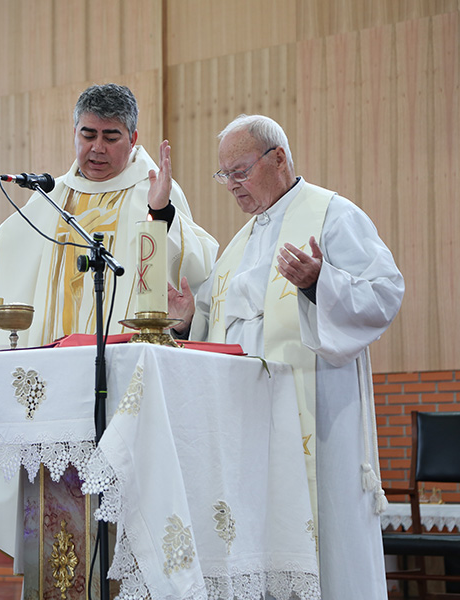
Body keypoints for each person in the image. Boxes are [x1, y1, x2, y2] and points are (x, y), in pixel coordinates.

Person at [170, 114, 404, 599]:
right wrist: (190, 316)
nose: (232, 186)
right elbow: (216, 332)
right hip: (250, 431)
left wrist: (321, 283)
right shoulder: (236, 246)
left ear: (278, 158)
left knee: (327, 544)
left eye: (239, 171)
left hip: (317, 421)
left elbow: (385, 292)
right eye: (224, 176)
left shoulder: (332, 214)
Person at [0, 83, 218, 348]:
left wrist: (161, 212)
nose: (97, 147)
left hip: (122, 361)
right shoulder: (53, 196)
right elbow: (5, 264)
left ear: (132, 139)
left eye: (111, 136)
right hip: (51, 361)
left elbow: (195, 272)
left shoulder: (154, 190)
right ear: (74, 133)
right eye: (88, 134)